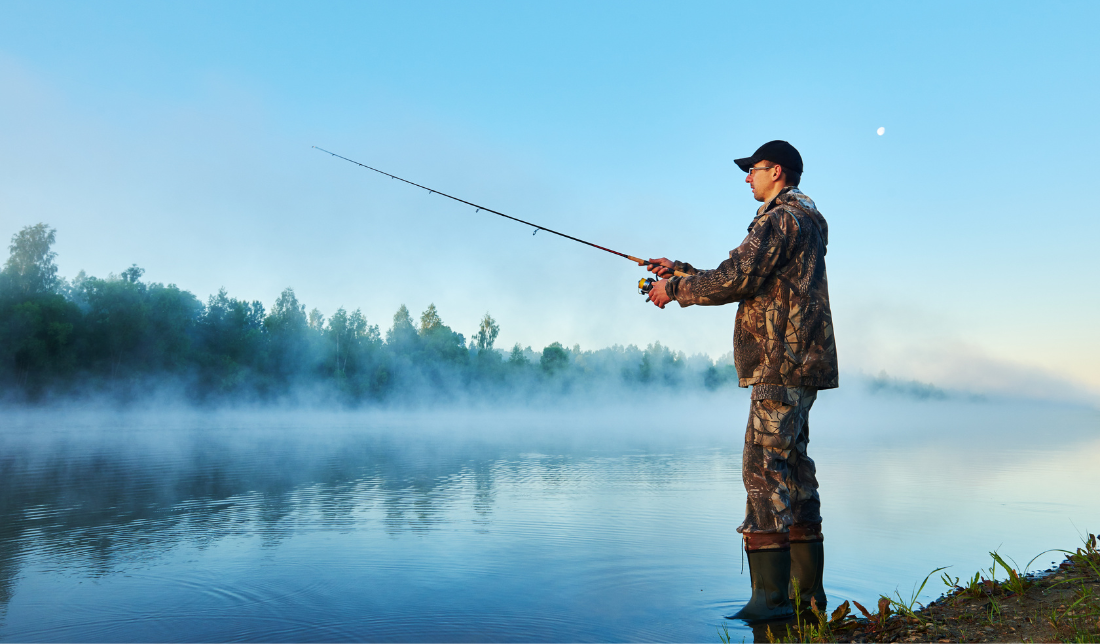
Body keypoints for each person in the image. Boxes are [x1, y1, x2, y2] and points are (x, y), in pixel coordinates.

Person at [643, 140, 838, 622]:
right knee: (792, 467)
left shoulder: (779, 219)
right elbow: (754, 275)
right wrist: (683, 271)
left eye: (753, 169)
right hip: (803, 362)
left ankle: (770, 601)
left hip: (779, 361)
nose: (746, 177)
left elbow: (739, 277)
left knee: (763, 468)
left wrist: (675, 289)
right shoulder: (807, 219)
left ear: (778, 172)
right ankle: (806, 597)